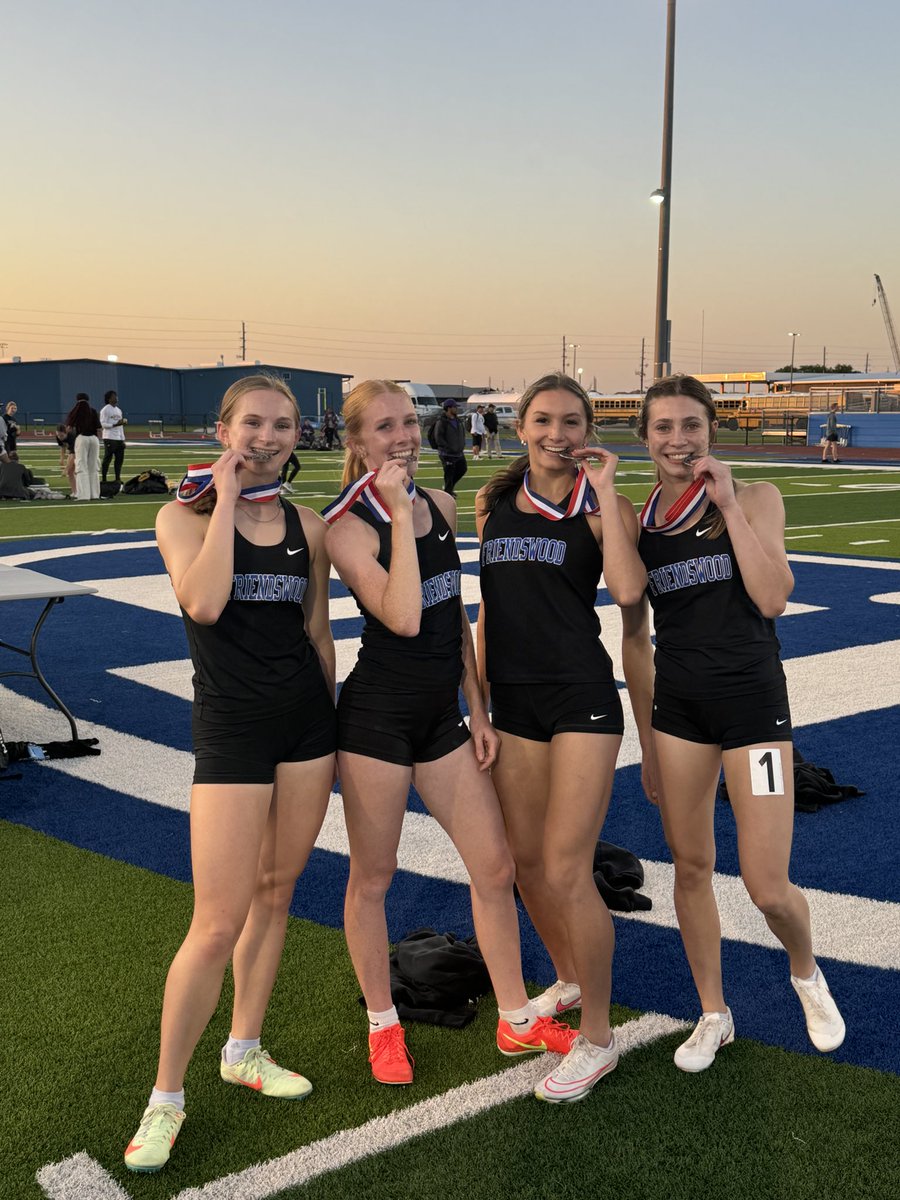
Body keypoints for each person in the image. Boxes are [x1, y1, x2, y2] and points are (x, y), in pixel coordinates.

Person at [324, 379, 576, 1088]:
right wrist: (399, 517)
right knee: (373, 879)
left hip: (441, 719)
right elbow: (402, 617)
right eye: (384, 427)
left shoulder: (438, 503)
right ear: (358, 443)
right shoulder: (346, 524)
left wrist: (479, 708)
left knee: (495, 869)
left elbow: (448, 615)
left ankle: (516, 1017)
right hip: (375, 720)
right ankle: (382, 1024)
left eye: (409, 421)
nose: (402, 436)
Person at [124, 374, 337, 1173]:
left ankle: (244, 1048)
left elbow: (316, 632)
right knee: (215, 922)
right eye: (253, 423)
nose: (269, 436)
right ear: (224, 429)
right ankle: (165, 1098)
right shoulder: (179, 517)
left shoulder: (308, 526)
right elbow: (205, 603)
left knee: (277, 894)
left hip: (307, 731)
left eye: (282, 425)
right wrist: (224, 502)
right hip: (233, 733)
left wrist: (335, 717)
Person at [634, 373, 845, 1073]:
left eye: (690, 425)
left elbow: (774, 595)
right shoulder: (640, 523)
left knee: (766, 883)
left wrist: (724, 502)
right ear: (644, 437)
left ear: (711, 430)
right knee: (691, 866)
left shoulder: (754, 497)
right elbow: (633, 626)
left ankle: (806, 972)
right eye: (663, 427)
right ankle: (714, 1012)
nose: (677, 440)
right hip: (680, 715)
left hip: (753, 709)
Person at [475, 371, 651, 1104]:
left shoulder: (601, 507)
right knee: (525, 863)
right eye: (543, 420)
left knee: (569, 867)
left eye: (572, 422)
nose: (557, 434)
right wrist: (478, 707)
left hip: (581, 698)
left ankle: (600, 1039)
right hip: (511, 705)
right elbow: (488, 611)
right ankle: (572, 977)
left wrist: (608, 498)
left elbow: (631, 593)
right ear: (520, 428)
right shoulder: (491, 504)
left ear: (589, 431)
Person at [65, 393, 101, 500]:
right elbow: (99, 429)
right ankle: (94, 494)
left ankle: (83, 495)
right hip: (94, 439)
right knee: (93, 466)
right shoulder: (93, 411)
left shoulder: (76, 411)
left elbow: (69, 428)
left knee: (81, 466)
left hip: (82, 438)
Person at [434, 399, 467, 495]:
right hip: (447, 453)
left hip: (458, 452)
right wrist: (447, 448)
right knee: (449, 473)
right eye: (454, 407)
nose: (456, 409)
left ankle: (449, 488)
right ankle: (448, 493)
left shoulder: (458, 420)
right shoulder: (442, 422)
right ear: (449, 408)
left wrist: (461, 445)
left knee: (462, 469)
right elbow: (438, 437)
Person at [100, 390, 128, 484]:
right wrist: (115, 424)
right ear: (109, 399)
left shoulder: (119, 410)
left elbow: (120, 427)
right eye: (113, 396)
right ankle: (104, 478)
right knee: (107, 458)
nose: (116, 398)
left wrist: (123, 439)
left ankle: (117, 478)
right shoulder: (105, 409)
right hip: (109, 437)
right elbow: (103, 424)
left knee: (119, 459)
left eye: (116, 396)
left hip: (118, 438)